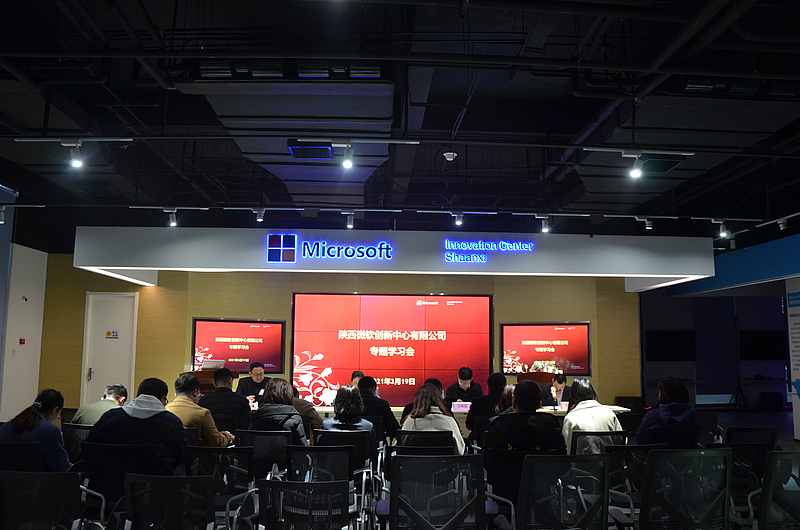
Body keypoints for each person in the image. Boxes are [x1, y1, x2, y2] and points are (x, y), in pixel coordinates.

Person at [86, 378, 187, 475]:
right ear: (163, 399)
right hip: (155, 484)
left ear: (138, 396)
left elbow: (88, 445)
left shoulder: (110, 416)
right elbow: (184, 455)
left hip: (107, 483)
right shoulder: (172, 422)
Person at [483, 380, 566, 453]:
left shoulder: (496, 425)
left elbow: (487, 459)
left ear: (514, 403)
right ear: (539, 405)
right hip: (543, 467)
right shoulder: (551, 426)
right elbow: (560, 458)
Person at [0, 389, 69, 472]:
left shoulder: (5, 427)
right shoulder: (50, 431)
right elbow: (61, 468)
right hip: (37, 480)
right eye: (58, 416)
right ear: (54, 410)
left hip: (5, 480)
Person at [166, 374, 234, 447]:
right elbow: (217, 442)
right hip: (194, 454)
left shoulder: (165, 410)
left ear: (175, 394)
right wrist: (227, 435)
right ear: (195, 393)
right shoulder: (202, 413)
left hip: (171, 453)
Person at [562, 379, 623, 454]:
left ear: (572, 396)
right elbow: (622, 441)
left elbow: (568, 449)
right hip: (609, 460)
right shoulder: (610, 414)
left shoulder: (570, 418)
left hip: (582, 461)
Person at [401, 384, 465, 454]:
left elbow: (399, 447)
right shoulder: (449, 421)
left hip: (414, 461)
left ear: (417, 401)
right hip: (444, 461)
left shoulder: (410, 421)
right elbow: (460, 450)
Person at [321, 385, 378, 463]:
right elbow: (373, 455)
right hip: (359, 469)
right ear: (359, 403)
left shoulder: (326, 425)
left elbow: (320, 454)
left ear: (336, 402)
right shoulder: (367, 427)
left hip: (332, 468)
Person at [636, 377, 700, 444]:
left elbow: (640, 440)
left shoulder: (653, 415)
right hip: (685, 451)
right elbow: (695, 438)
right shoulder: (692, 415)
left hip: (657, 451)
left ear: (662, 394)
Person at [249, 378, 309, 446]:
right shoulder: (294, 418)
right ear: (288, 395)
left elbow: (250, 445)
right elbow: (302, 448)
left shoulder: (255, 417)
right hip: (287, 453)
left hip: (259, 453)